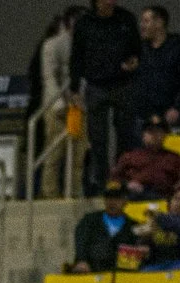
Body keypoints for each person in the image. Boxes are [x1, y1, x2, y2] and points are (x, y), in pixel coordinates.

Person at [71, 0, 141, 183]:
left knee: (126, 134)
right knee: (97, 137)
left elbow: (138, 50)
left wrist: (134, 61)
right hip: (95, 85)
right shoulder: (85, 23)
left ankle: (122, 179)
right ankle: (101, 181)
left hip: (123, 83)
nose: (110, 2)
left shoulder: (126, 19)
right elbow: (76, 57)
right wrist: (74, 88)